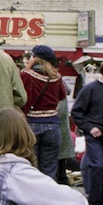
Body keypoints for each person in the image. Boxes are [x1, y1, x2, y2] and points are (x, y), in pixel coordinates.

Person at [71, 60, 103, 205]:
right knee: (97, 166)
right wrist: (90, 127)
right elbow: (77, 112)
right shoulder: (90, 89)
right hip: (94, 134)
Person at [18, 44, 68, 181]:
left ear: (34, 58)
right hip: (53, 125)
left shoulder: (26, 75)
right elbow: (62, 95)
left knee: (30, 168)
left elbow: (22, 99)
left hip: (31, 124)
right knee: (49, 170)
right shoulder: (56, 77)